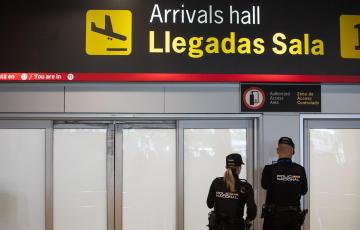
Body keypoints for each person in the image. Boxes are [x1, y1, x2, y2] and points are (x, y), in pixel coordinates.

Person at [261, 137, 308, 230]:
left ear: (278, 151)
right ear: (293, 151)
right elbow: (304, 191)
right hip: (293, 219)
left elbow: (264, 186)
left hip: (273, 218)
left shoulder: (269, 169)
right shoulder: (300, 169)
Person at [207, 153, 257, 230]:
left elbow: (209, 204)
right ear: (239, 168)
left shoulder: (216, 182)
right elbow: (252, 212)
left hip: (217, 227)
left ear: (226, 167)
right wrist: (247, 221)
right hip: (236, 227)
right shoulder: (246, 187)